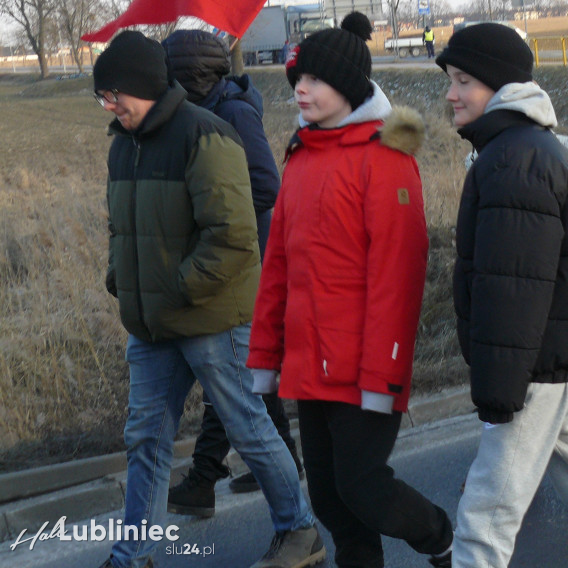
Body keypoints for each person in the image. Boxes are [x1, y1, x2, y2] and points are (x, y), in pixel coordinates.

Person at [93, 31, 321, 568]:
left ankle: (299, 531)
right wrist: (120, 277)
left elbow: (232, 237)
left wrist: (170, 288)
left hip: (212, 318)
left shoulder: (206, 136)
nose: (108, 105)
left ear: (143, 86)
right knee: (145, 436)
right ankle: (133, 555)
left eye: (112, 94)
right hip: (152, 326)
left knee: (248, 427)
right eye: (101, 97)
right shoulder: (124, 144)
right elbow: (121, 228)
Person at [436, 23, 568, 568]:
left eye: (464, 80)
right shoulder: (529, 146)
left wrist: (500, 389)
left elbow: (515, 290)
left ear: (499, 86)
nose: (451, 93)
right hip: (561, 364)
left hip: (533, 371)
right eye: (450, 80)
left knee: (485, 517)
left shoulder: (512, 161)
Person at [247, 28, 454, 568]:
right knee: (331, 499)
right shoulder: (302, 156)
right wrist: (265, 357)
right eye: (297, 79)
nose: (300, 89)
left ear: (346, 85)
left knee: (362, 486)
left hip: (363, 365)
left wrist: (383, 374)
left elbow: (398, 277)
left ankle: (439, 536)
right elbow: (278, 270)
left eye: (314, 79)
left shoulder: (384, 157)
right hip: (309, 364)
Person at [161, 29, 303, 517]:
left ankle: (205, 477)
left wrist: (215, 212)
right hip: (235, 257)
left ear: (191, 76)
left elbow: (266, 186)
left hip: (248, 258)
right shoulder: (204, 110)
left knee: (228, 367)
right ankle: (283, 460)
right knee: (244, 367)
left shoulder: (232, 112)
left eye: (170, 75)